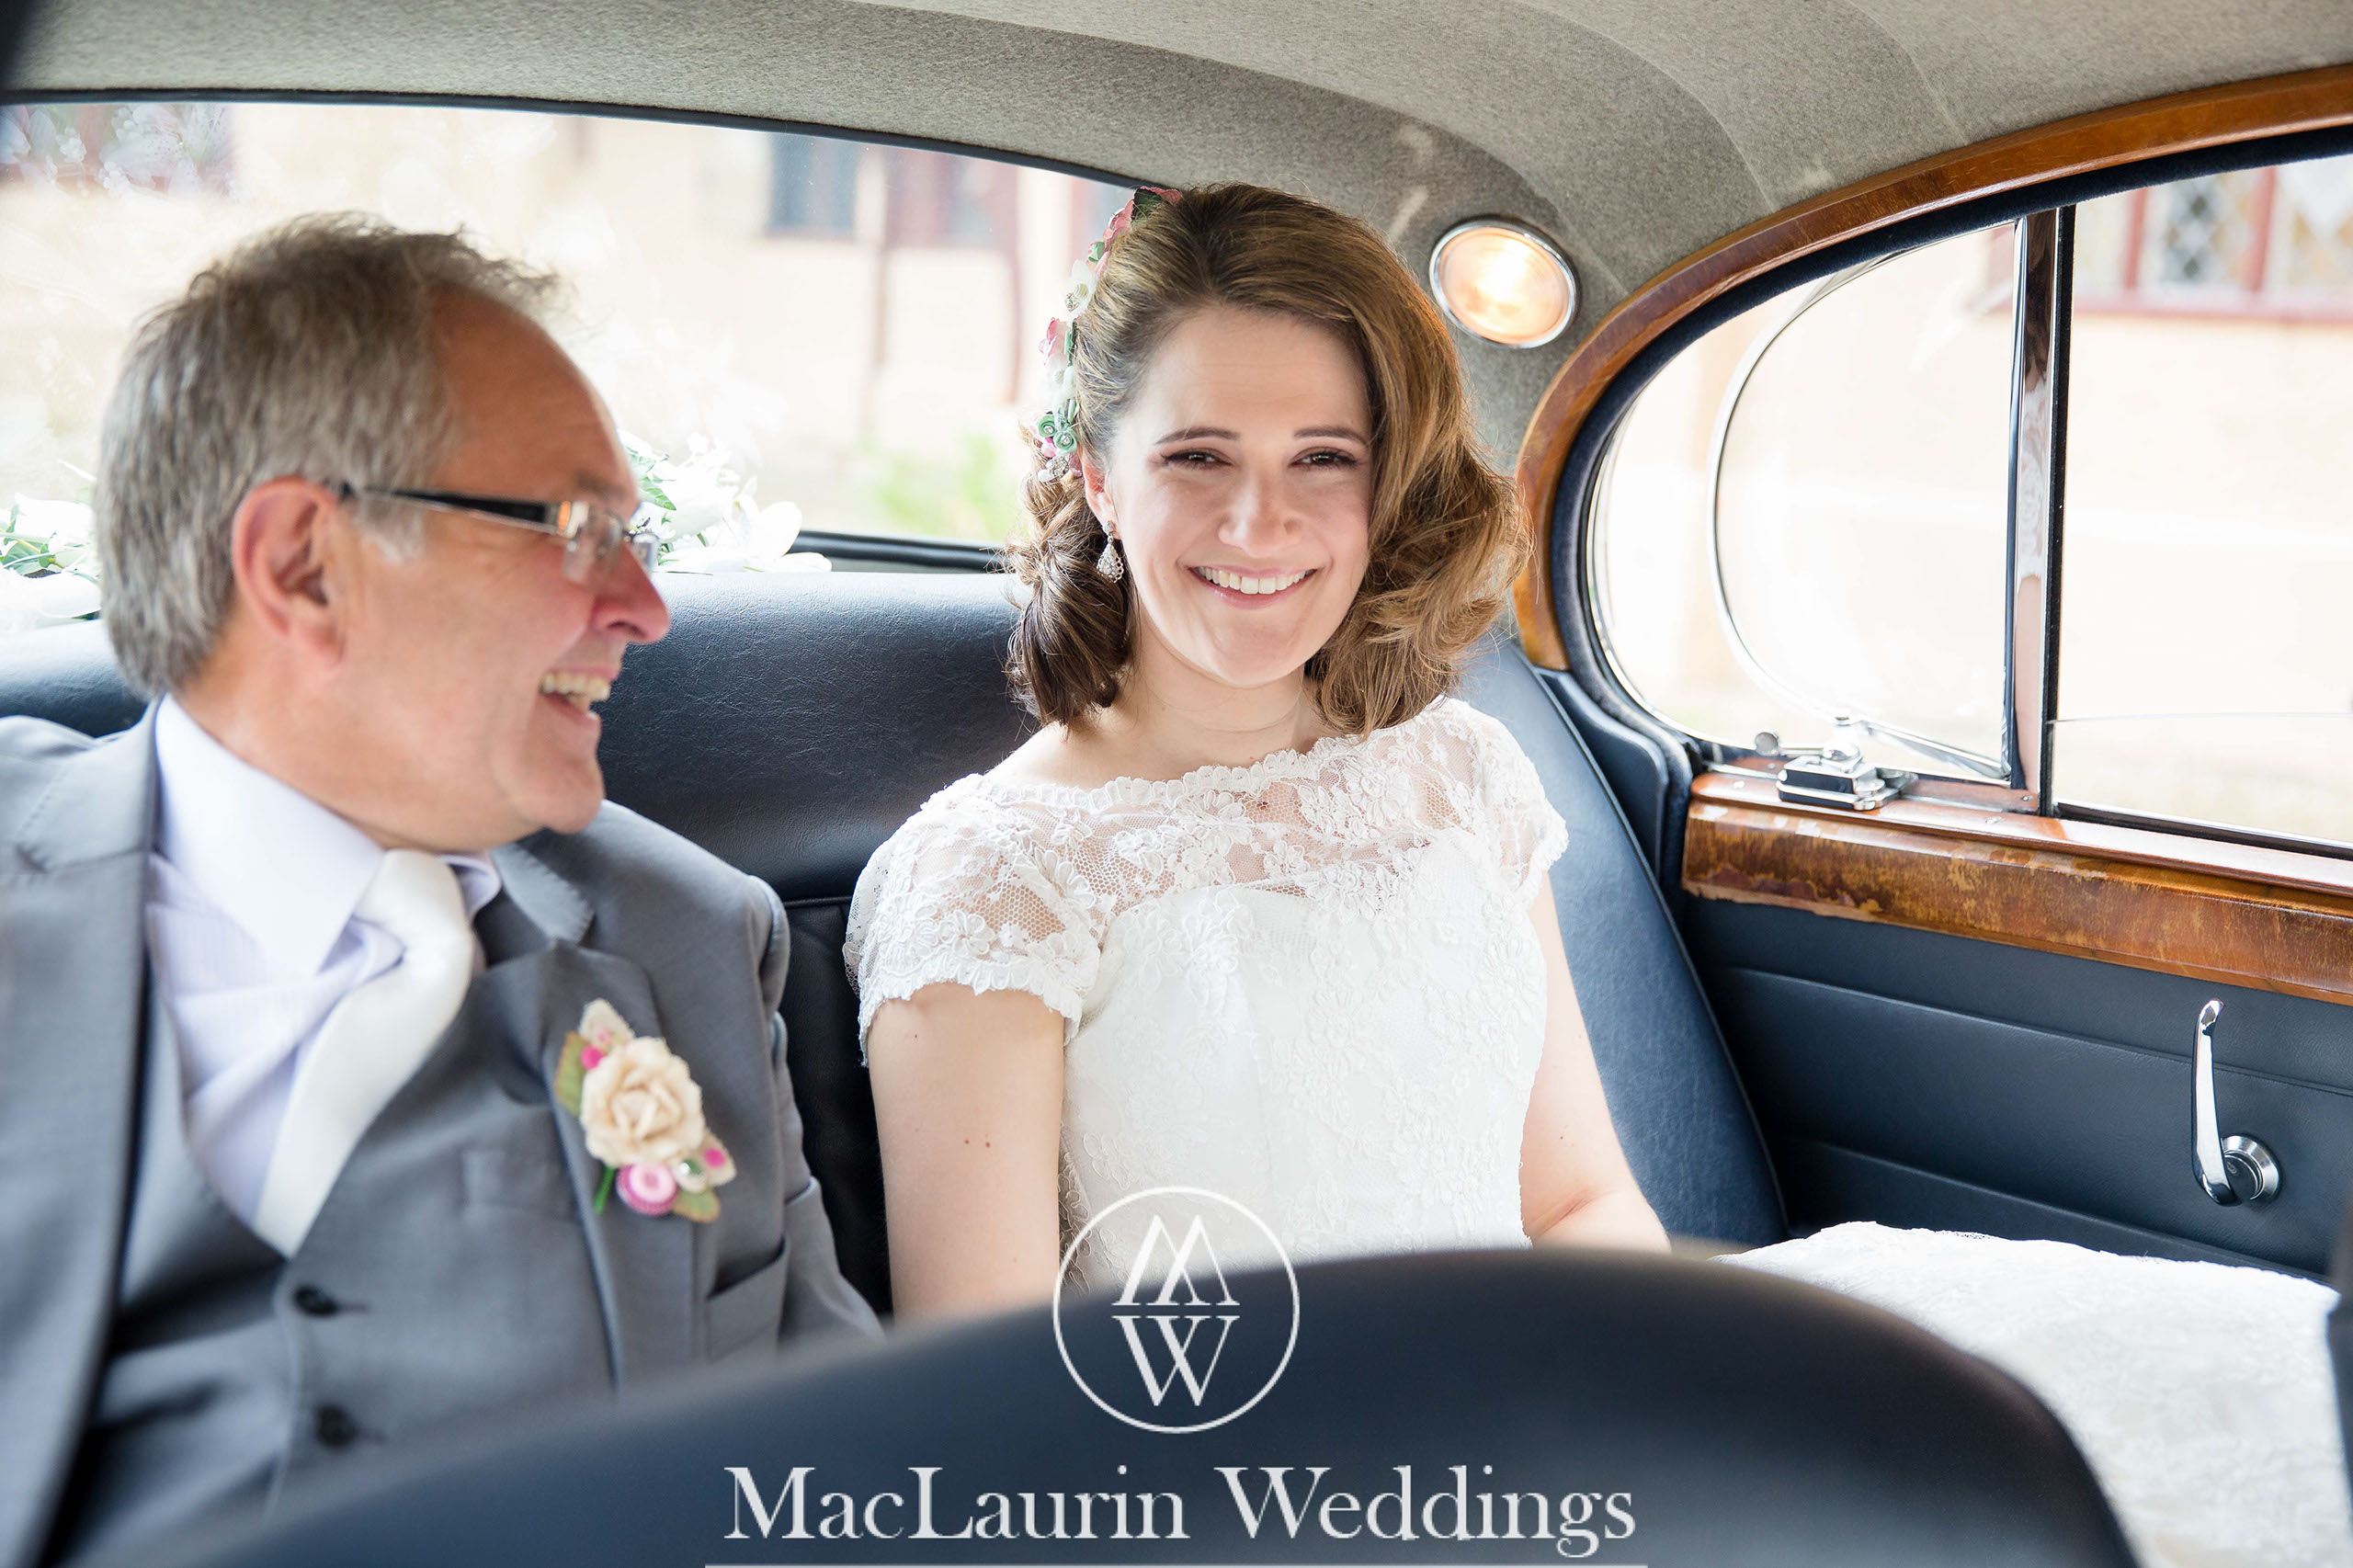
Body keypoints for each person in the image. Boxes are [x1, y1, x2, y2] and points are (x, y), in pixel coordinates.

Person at [0, 215, 875, 1568]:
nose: (645, 604)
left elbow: (835, 1480)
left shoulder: (694, 939)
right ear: (302, 563)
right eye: (581, 529)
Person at [846, 184, 1668, 1319]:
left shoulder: (1462, 775)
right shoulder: (996, 883)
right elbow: (998, 1392)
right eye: (1198, 457)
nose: (1258, 525)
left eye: (1322, 457)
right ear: (1099, 478)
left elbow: (1579, 1203)